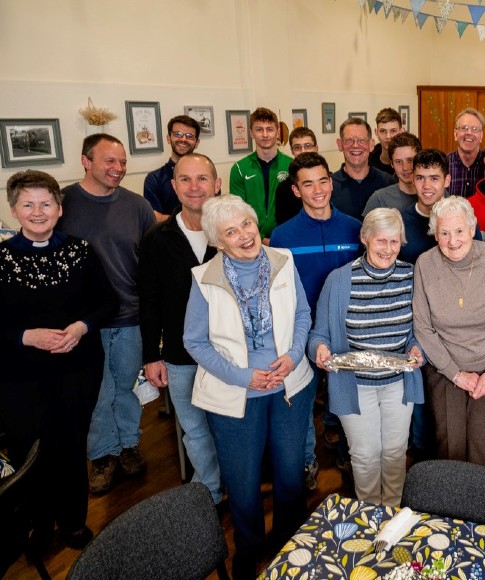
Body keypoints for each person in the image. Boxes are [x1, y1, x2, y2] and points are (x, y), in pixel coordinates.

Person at [183, 194, 314, 580]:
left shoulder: (284, 261)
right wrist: (245, 377)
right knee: (242, 481)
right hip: (235, 395)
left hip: (290, 385)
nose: (244, 235)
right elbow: (195, 342)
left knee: (291, 474)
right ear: (218, 242)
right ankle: (249, 548)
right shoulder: (204, 279)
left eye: (247, 224)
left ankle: (291, 541)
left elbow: (303, 314)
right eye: (231, 231)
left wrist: (291, 356)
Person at [0, 170, 116, 551]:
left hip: (77, 368)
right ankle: (38, 525)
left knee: (71, 444)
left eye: (46, 203)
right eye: (28, 204)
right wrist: (25, 337)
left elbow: (107, 303)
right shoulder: (1, 259)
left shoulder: (80, 251)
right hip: (20, 376)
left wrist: (81, 327)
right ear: (14, 210)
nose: (38, 211)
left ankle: (72, 522)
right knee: (29, 450)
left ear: (59, 208)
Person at [59, 133, 156, 495]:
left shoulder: (137, 206)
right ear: (86, 161)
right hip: (83, 321)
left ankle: (129, 444)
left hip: (130, 314)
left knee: (127, 387)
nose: (118, 168)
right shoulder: (63, 203)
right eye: (109, 161)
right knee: (97, 391)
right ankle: (102, 455)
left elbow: (149, 262)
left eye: (122, 162)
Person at [310, 208, 424, 505]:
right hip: (353, 384)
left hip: (398, 382)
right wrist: (320, 350)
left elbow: (420, 331)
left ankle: (392, 514)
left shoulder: (412, 277)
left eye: (395, 242)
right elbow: (319, 334)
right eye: (380, 241)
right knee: (364, 456)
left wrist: (416, 349)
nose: (387, 249)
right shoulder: (338, 280)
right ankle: (369, 516)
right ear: (364, 238)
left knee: (396, 453)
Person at [270, 152, 361, 488]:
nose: (318, 189)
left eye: (323, 180)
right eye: (308, 184)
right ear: (296, 191)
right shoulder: (283, 236)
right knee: (303, 401)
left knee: (346, 395)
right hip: (303, 329)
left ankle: (347, 448)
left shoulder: (354, 228)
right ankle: (307, 462)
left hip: (348, 327)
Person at [139, 153, 223, 505]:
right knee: (196, 431)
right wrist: (151, 357)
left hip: (229, 353)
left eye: (202, 178)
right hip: (180, 354)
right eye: (185, 180)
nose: (194, 187)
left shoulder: (232, 235)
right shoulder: (157, 239)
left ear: (217, 185)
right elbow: (149, 303)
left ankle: (240, 482)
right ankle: (211, 493)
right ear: (173, 186)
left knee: (231, 427)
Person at [412, 196, 485, 466]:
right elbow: (423, 327)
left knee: (481, 445)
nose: (453, 240)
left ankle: (478, 508)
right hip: (445, 367)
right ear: (435, 234)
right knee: (450, 446)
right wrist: (455, 374)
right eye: (444, 233)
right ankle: (449, 508)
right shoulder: (425, 264)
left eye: (459, 231)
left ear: (472, 229)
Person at [229, 107, 291, 240]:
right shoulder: (239, 168)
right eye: (259, 129)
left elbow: (296, 208)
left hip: (285, 238)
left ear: (278, 132)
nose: (265, 134)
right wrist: (260, 238)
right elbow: (237, 212)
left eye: (270, 129)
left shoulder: (291, 165)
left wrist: (280, 238)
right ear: (251, 133)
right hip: (251, 238)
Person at [331, 117, 395, 218]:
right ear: (340, 144)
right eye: (349, 140)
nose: (355, 145)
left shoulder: (388, 183)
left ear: (371, 145)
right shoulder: (329, 187)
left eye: (361, 140)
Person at [143, 115, 201, 221]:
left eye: (189, 136)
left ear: (197, 142)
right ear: (169, 138)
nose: (183, 139)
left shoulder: (207, 174)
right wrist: (190, 222)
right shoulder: (154, 179)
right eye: (178, 134)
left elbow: (213, 212)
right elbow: (155, 217)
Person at [363, 132, 421, 215]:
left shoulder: (437, 194)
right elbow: (366, 228)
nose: (405, 167)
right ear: (392, 164)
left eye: (410, 160)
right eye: (398, 162)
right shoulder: (379, 200)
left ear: (420, 159)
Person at [274, 126, 318, 226]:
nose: (303, 151)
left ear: (316, 148)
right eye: (297, 147)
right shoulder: (283, 189)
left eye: (308, 146)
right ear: (292, 151)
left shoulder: (329, 181)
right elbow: (283, 226)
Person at [447, 108, 485, 199]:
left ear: (481, 136)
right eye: (464, 128)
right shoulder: (443, 164)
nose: (469, 133)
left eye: (474, 129)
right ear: (455, 134)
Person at [369, 107, 402, 176]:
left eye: (393, 131)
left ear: (401, 132)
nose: (388, 136)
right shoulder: (367, 163)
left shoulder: (410, 162)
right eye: (383, 131)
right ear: (376, 133)